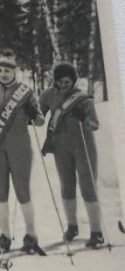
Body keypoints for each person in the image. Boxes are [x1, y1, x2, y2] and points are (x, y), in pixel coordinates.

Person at [0, 50, 45, 254]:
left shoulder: (24, 91)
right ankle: (5, 236)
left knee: (22, 192)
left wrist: (34, 114)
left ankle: (31, 235)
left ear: (14, 71)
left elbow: (40, 121)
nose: (3, 74)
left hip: (20, 150)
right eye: (0, 70)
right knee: (0, 194)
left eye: (7, 70)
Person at [38, 62, 103, 248]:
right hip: (61, 148)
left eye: (67, 81)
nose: (64, 84)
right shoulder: (49, 95)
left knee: (88, 187)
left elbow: (95, 125)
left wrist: (83, 117)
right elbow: (39, 117)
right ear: (55, 81)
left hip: (83, 147)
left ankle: (97, 232)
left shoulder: (83, 99)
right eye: (60, 81)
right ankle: (72, 226)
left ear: (73, 80)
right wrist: (30, 115)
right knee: (66, 186)